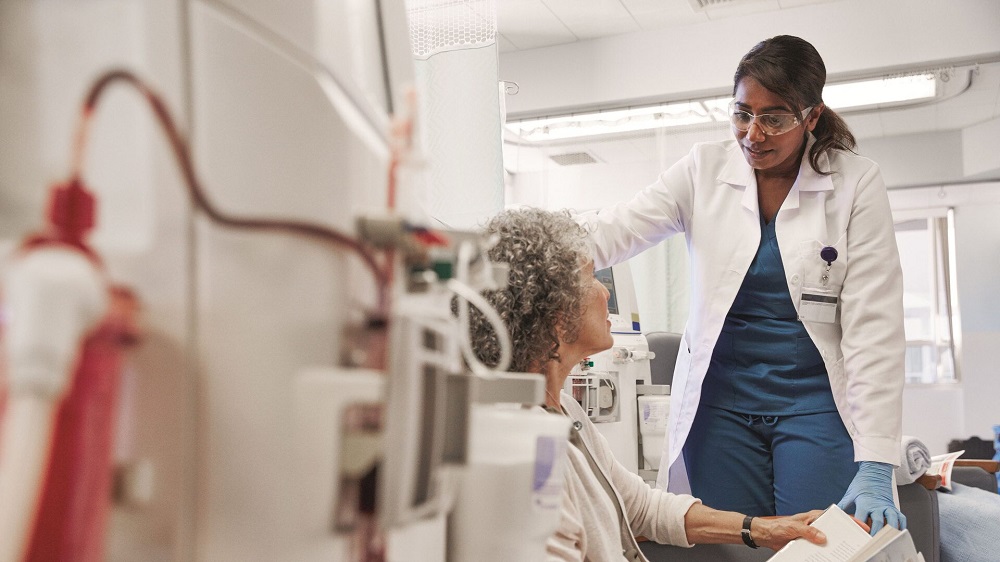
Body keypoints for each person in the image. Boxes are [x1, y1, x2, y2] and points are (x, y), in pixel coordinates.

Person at [576, 35, 906, 533]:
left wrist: (878, 460)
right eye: (741, 113)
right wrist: (514, 251)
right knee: (733, 543)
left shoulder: (855, 183)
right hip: (720, 409)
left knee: (814, 543)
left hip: (815, 408)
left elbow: (874, 325)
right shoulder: (703, 169)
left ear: (811, 117)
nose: (753, 133)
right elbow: (615, 231)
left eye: (774, 118)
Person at [468, 207, 828, 561]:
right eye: (593, 277)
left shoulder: (565, 410)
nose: (605, 293)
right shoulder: (527, 447)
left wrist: (766, 530)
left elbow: (641, 507)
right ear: (558, 317)